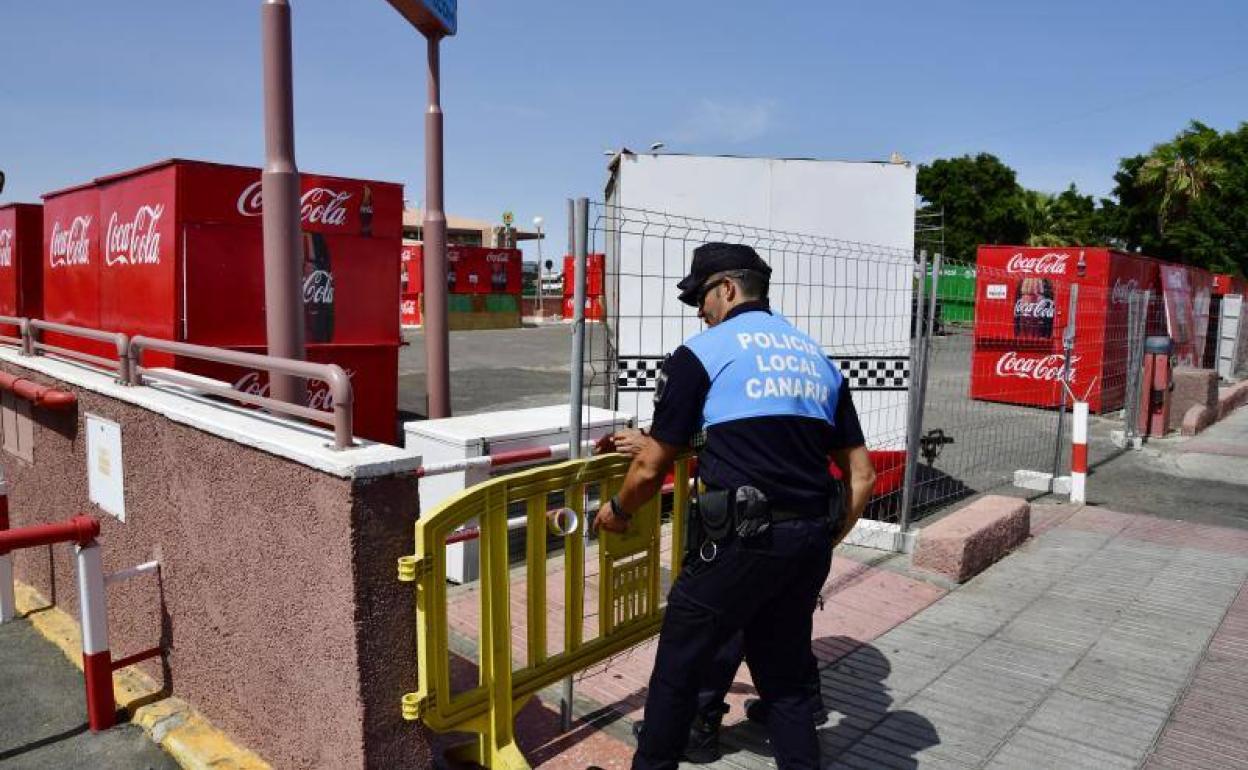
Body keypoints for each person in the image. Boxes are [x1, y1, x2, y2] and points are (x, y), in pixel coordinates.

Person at [592, 242, 876, 770]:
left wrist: (618, 510)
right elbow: (862, 476)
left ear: (727, 288)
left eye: (701, 297)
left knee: (677, 670)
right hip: (808, 541)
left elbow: (652, 467)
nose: (699, 312)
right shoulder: (816, 359)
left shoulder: (703, 353)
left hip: (738, 544)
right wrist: (822, 536)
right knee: (787, 687)